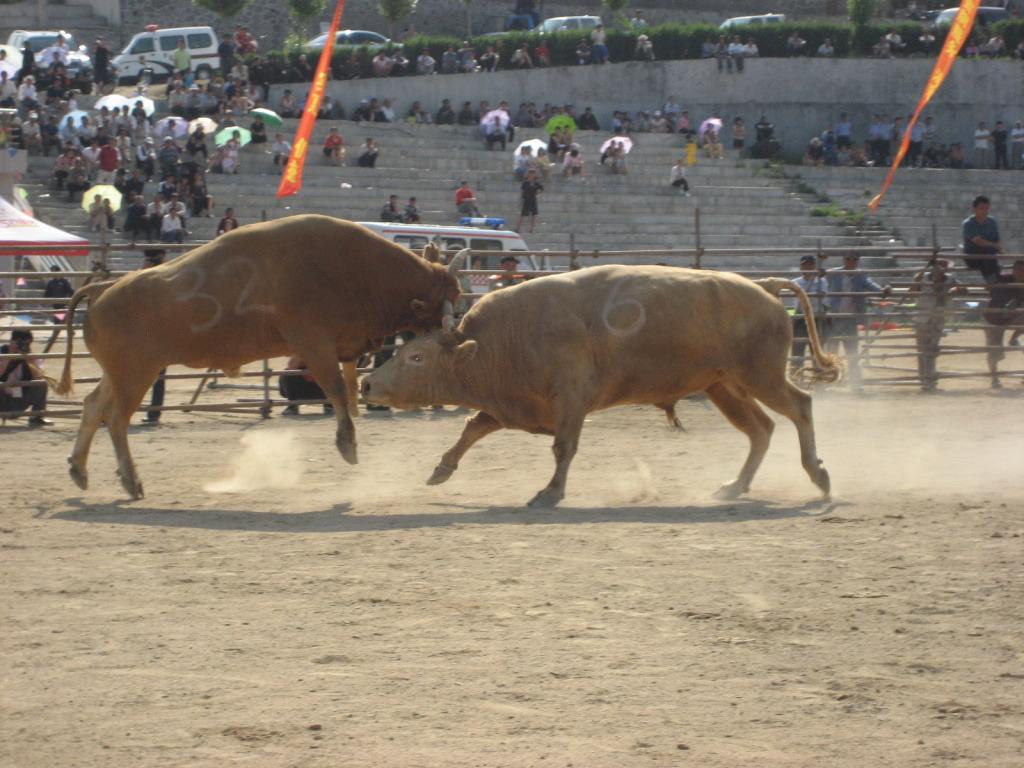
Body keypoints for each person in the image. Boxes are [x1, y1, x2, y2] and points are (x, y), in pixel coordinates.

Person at [826, 252, 891, 390]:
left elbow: (872, 286)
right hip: (834, 318)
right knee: (831, 353)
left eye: (854, 259)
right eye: (848, 258)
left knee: (852, 352)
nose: (851, 261)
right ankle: (829, 382)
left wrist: (882, 290)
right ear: (843, 260)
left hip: (850, 319)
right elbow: (821, 280)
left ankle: (855, 384)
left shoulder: (861, 275)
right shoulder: (833, 274)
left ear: (858, 262)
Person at [908, 259, 965, 391]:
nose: (941, 270)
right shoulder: (922, 277)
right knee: (923, 350)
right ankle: (924, 379)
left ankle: (930, 379)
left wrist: (957, 289)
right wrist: (916, 282)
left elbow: (964, 289)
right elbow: (911, 294)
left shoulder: (949, 279)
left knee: (932, 350)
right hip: (922, 318)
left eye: (944, 268)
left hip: (938, 318)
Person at [982, 259, 1024, 389]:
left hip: (1011, 316)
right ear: (1013, 270)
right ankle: (995, 378)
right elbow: (988, 286)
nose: (1020, 273)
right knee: (994, 349)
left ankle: (1013, 339)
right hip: (993, 318)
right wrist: (996, 276)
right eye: (1017, 270)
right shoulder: (1005, 279)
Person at [0, 330, 53, 425]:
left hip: (20, 399)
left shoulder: (32, 357)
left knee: (41, 384)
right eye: (20, 342)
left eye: (26, 343)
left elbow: (39, 377)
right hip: (2, 398)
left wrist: (30, 360)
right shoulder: (1, 353)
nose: (22, 345)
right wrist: (9, 356)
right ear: (11, 341)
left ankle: (36, 417)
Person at [791, 255, 829, 367]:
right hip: (800, 318)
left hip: (815, 317)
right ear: (801, 268)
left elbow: (823, 296)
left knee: (816, 349)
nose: (808, 267)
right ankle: (796, 375)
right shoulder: (794, 282)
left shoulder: (821, 282)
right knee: (798, 348)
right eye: (805, 265)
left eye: (810, 265)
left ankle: (818, 374)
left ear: (814, 267)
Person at [962, 195, 1002, 283]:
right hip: (973, 257)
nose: (985, 211)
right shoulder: (968, 224)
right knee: (990, 254)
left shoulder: (992, 221)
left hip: (988, 257)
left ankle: (994, 285)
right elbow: (979, 242)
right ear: (974, 209)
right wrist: (995, 246)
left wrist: (998, 247)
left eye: (986, 208)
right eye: (982, 208)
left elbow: (997, 239)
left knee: (990, 259)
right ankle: (994, 283)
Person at [517, 169, 544, 233]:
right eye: (530, 174)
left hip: (533, 201)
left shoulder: (537, 184)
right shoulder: (525, 183)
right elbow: (522, 192)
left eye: (532, 174)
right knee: (522, 215)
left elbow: (543, 189)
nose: (531, 176)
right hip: (526, 200)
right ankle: (517, 229)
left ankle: (532, 229)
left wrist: (537, 194)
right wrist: (521, 200)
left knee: (534, 215)